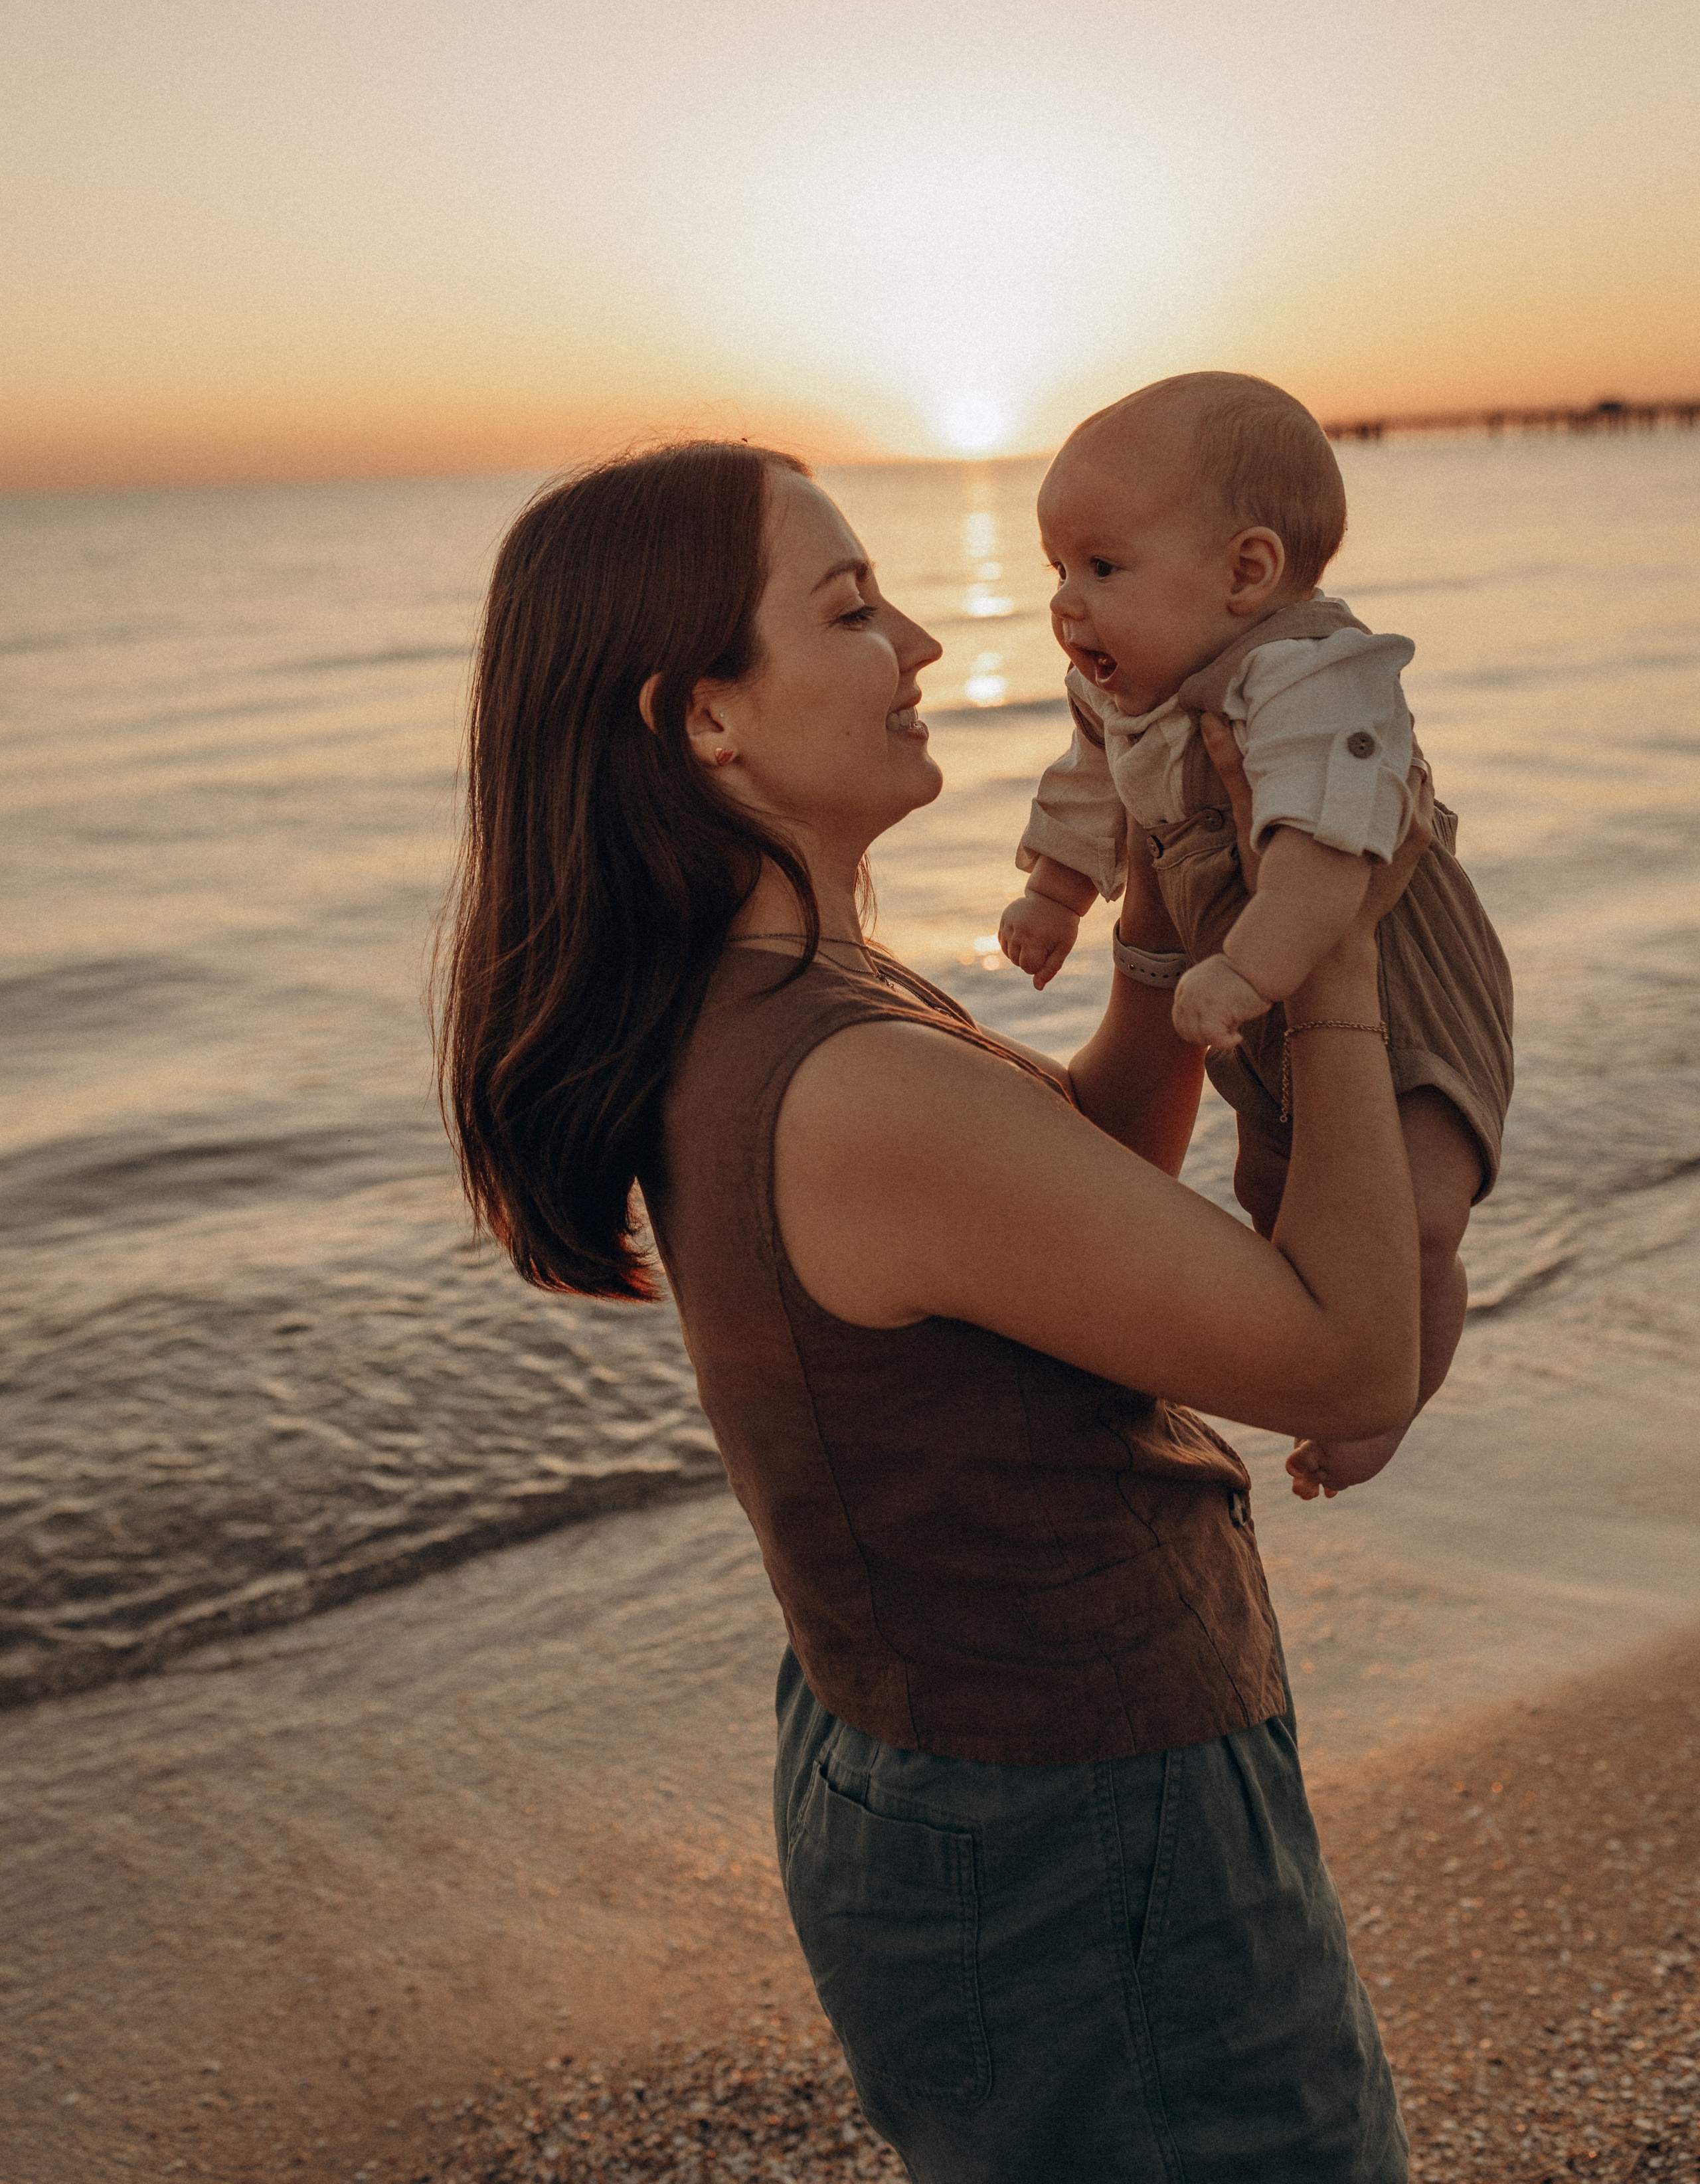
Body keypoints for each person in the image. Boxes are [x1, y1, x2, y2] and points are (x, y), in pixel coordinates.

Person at [437, 438, 1431, 2183]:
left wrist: (1148, 911)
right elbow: (1348, 1353)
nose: (925, 646)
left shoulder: (773, 989)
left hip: (961, 1773)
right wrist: (1332, 939)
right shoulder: (857, 1086)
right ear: (705, 721)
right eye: (848, 607)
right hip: (1080, 1827)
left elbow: (1066, 1191)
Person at [999, 373, 1513, 1499]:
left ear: (1248, 571)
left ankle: (1397, 1379)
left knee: (1412, 1208)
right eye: (1057, 571)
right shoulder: (1126, 690)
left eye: (1102, 566)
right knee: (1284, 1205)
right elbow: (1094, 789)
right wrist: (1054, 893)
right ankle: (1342, 1361)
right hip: (1249, 980)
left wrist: (1248, 965)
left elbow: (1332, 852)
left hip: (1388, 965)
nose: (1067, 607)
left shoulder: (1311, 678)